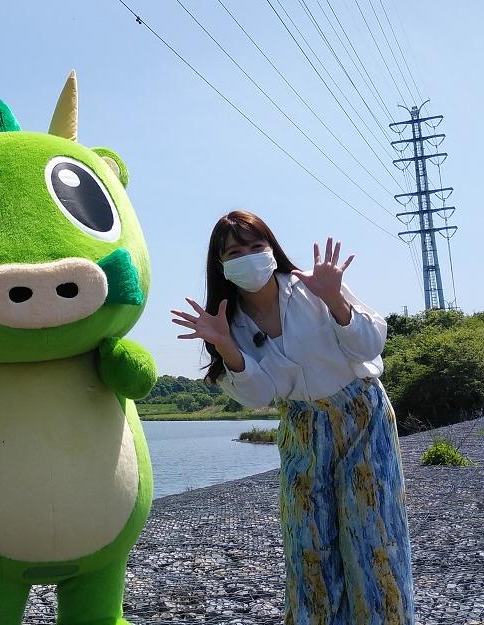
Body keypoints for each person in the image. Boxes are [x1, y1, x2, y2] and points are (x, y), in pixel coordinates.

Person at [170, 210, 414, 624]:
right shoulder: (229, 323)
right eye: (235, 251)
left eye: (255, 246)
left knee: (375, 534)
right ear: (222, 264)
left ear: (272, 249)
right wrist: (228, 347)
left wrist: (335, 299)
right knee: (308, 542)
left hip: (361, 415)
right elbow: (261, 394)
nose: (248, 256)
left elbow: (370, 345)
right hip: (302, 427)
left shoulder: (312, 287)